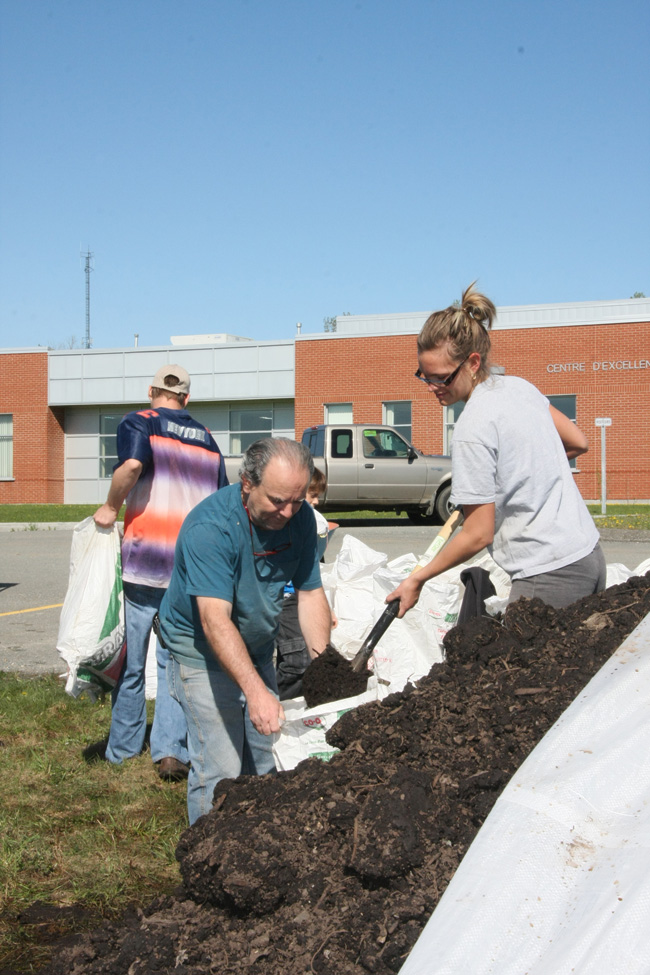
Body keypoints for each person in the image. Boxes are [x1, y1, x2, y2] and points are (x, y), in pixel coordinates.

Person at [388, 283, 606, 617]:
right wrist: (513, 479)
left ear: (473, 362)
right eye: (424, 375)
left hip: (547, 574)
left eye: (442, 378)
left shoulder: (472, 426)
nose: (432, 387)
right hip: (589, 555)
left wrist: (418, 578)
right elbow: (578, 442)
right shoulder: (520, 388)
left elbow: (477, 534)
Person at [157, 437, 331, 825]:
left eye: (297, 500)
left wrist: (325, 670)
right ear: (247, 484)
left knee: (268, 761)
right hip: (199, 649)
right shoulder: (210, 528)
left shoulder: (299, 518)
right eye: (277, 501)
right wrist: (256, 693)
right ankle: (206, 861)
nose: (288, 512)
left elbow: (310, 592)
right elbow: (214, 621)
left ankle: (259, 852)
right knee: (221, 768)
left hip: (255, 644)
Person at [91, 365, 228, 780]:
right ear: (187, 399)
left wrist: (111, 507)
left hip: (144, 561)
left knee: (132, 660)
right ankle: (171, 751)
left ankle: (123, 748)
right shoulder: (208, 440)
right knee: (176, 660)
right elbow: (221, 500)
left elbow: (132, 467)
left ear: (151, 391)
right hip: (190, 566)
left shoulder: (141, 422)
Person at [275, 466, 332, 700]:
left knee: (300, 656)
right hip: (279, 596)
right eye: (312, 495)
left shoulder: (315, 524)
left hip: (294, 598)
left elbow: (312, 574)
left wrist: (326, 608)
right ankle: (274, 699)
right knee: (296, 657)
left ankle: (286, 702)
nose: (316, 502)